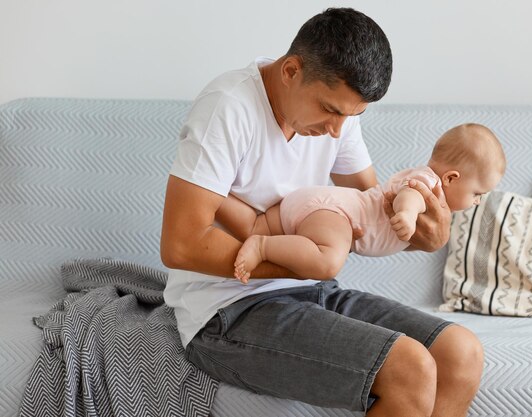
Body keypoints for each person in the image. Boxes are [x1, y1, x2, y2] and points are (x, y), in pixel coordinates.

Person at [160, 8, 484, 417]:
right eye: (330, 109)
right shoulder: (227, 107)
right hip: (224, 311)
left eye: (352, 116)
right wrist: (304, 263)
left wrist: (421, 236)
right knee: (410, 367)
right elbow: (180, 245)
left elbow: (371, 210)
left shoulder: (341, 117)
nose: (337, 129)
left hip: (310, 293)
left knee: (461, 352)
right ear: (291, 71)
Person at [227, 123, 506, 283]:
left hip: (316, 205)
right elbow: (411, 197)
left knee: (255, 224)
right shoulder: (429, 183)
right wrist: (407, 215)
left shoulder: (429, 182)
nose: (478, 201)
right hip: (335, 213)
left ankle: (219, 195)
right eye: (477, 193)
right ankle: (263, 246)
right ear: (451, 178)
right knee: (327, 261)